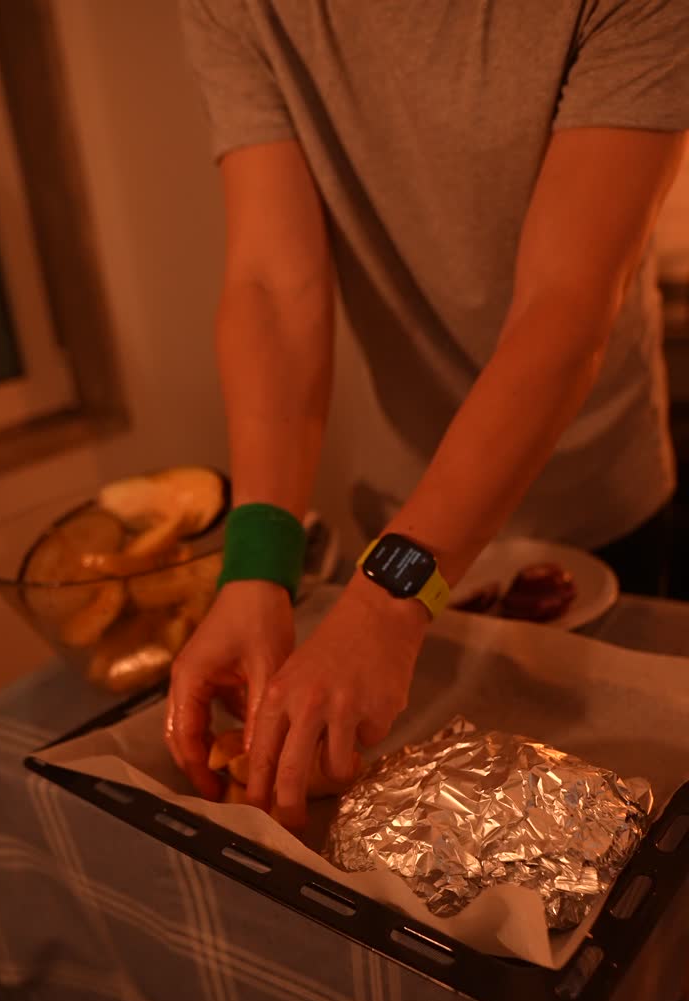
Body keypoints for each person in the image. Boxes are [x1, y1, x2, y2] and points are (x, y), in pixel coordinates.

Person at [166, 0, 688, 827]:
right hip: (399, 506)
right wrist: (257, 565)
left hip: (594, 490)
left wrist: (384, 601)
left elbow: (565, 302)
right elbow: (272, 284)